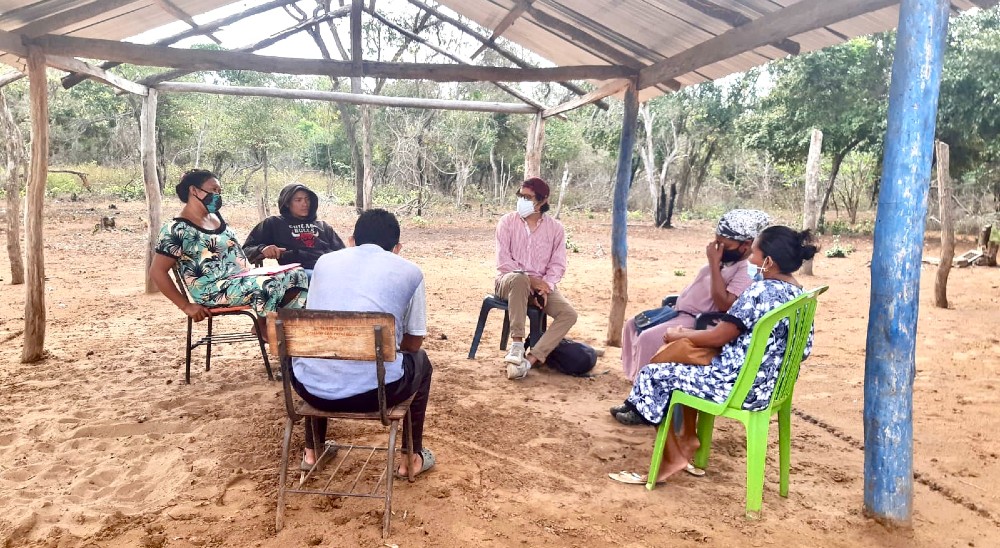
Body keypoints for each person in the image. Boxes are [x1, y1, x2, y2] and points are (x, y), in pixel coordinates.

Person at [609, 226, 818, 485]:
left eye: (754, 253)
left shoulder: (759, 292)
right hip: (770, 386)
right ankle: (687, 438)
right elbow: (805, 350)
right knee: (683, 364)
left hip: (737, 386)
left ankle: (675, 452)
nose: (751, 260)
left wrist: (680, 334)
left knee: (655, 375)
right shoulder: (800, 296)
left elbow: (720, 336)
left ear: (768, 262)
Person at [289, 209, 434, 478]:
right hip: (377, 395)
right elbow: (413, 343)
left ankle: (312, 451)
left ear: (352, 240)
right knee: (422, 363)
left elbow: (315, 325)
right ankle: (410, 457)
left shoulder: (324, 263)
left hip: (310, 389)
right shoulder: (410, 271)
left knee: (317, 353)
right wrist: (380, 346)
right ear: (397, 247)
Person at [618, 209, 770, 390]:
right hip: (677, 311)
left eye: (725, 245)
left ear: (746, 245)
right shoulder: (726, 261)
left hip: (700, 320)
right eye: (716, 242)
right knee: (632, 325)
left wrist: (713, 263)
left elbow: (724, 303)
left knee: (648, 338)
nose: (717, 248)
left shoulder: (746, 270)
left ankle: (643, 388)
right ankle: (635, 375)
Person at [149, 169, 309, 324]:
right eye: (213, 190)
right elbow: (157, 271)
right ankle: (265, 327)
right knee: (268, 285)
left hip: (242, 278)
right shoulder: (176, 229)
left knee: (298, 275)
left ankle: (287, 326)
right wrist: (186, 306)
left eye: (219, 191)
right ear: (194, 191)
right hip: (212, 290)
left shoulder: (216, 218)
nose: (217, 195)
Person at [495, 177, 578, 380]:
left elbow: (558, 264)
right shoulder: (507, 222)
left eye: (528, 197)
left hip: (542, 286)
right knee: (520, 279)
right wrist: (531, 281)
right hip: (508, 281)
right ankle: (516, 345)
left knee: (569, 314)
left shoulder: (555, 229)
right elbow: (504, 262)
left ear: (542, 201)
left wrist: (545, 287)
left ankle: (529, 361)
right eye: (520, 196)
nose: (522, 200)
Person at [242, 183, 345, 277]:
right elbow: (245, 252)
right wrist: (262, 249)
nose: (305, 204)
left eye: (307, 199)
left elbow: (343, 253)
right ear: (287, 203)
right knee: (313, 276)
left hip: (327, 269)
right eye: (298, 200)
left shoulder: (323, 226)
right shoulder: (274, 223)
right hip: (298, 273)